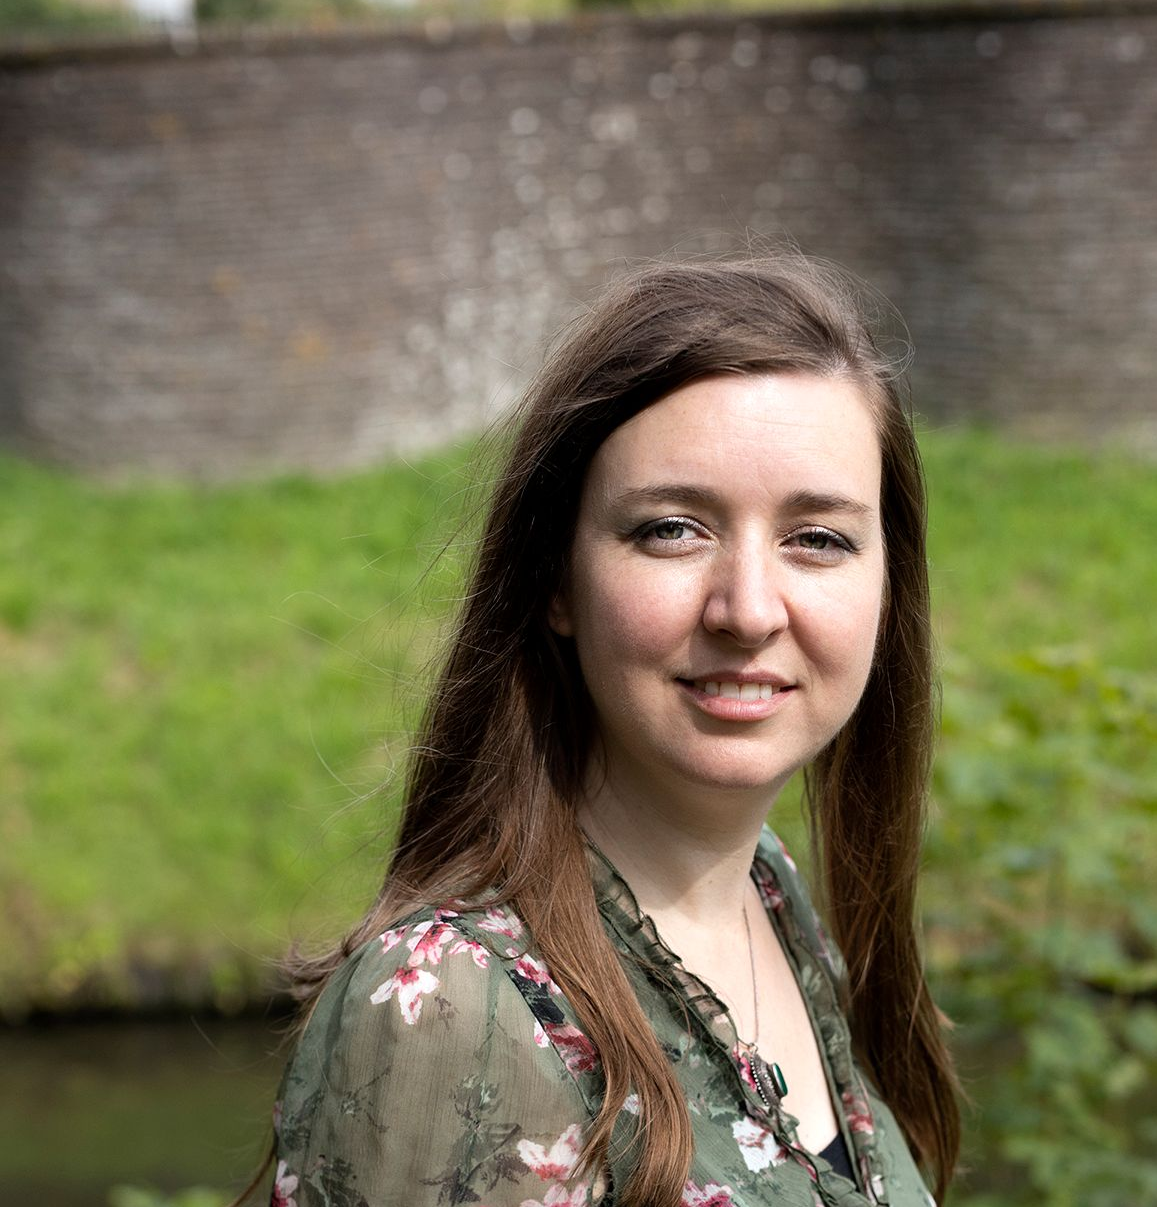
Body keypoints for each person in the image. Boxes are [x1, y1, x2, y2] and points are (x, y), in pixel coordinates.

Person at [260, 253, 962, 1207]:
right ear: (556, 578)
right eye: (672, 528)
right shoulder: (454, 1008)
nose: (749, 609)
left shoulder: (766, 887)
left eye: (818, 538)